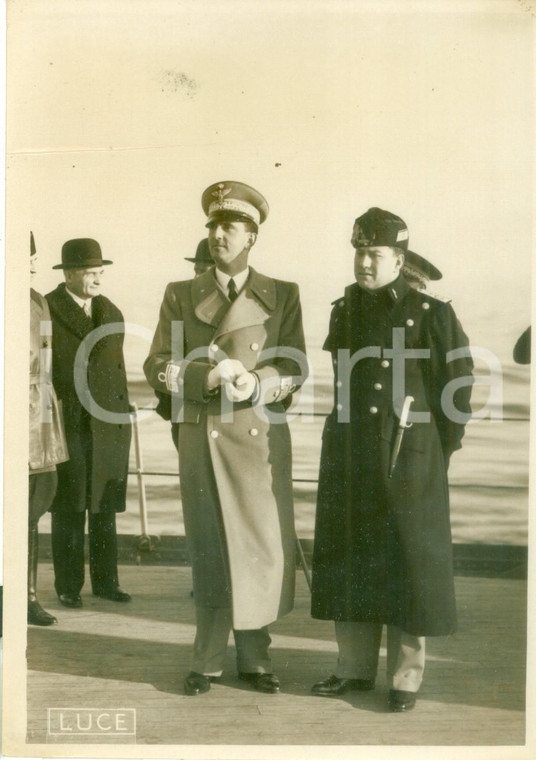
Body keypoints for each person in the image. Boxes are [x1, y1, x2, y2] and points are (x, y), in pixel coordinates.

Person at [144, 180, 308, 696]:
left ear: (251, 237)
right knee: (212, 548)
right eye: (213, 225)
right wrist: (204, 378)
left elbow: (295, 363)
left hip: (257, 439)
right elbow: (156, 363)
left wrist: (258, 381)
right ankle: (208, 660)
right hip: (203, 436)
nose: (218, 234)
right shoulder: (179, 293)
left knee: (259, 548)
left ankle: (256, 659)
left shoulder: (282, 294)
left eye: (229, 227)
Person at [310, 207, 473, 712]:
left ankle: (406, 678)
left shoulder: (431, 314)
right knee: (350, 559)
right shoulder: (344, 310)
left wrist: (432, 453)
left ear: (399, 259)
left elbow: (457, 393)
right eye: (358, 252)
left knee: (408, 565)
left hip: (410, 456)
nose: (363, 262)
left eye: (374, 254)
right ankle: (352, 670)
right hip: (350, 455)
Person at [46, 238, 132, 608]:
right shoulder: (47, 309)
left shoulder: (111, 312)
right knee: (69, 507)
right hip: (68, 423)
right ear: (69, 273)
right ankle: (68, 586)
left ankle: (106, 582)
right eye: (90, 272)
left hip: (108, 425)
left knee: (104, 507)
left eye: (101, 272)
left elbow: (119, 372)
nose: (98, 279)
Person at [29, 232, 69, 625]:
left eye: (33, 257)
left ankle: (27, 596)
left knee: (37, 502)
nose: (31, 263)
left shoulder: (36, 300)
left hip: (39, 414)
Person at [154, 238, 215, 445]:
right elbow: (165, 357)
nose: (197, 277)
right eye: (196, 270)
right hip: (187, 416)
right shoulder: (180, 302)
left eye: (204, 271)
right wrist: (174, 412)